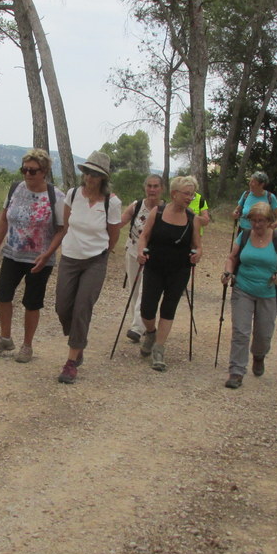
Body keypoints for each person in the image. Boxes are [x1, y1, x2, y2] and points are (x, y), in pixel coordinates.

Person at [0, 149, 67, 363]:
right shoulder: (15, 189)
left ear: (44, 172)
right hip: (12, 254)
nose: (28, 175)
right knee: (3, 294)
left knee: (32, 302)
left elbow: (62, 229)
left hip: (40, 259)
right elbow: (4, 219)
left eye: (33, 171)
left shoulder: (56, 197)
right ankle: (5, 338)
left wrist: (48, 253)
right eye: (25, 170)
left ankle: (27, 345)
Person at [55, 150, 123, 384]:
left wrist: (104, 253)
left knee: (82, 307)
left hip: (95, 260)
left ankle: (71, 362)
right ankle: (78, 341)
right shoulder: (72, 195)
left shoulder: (112, 203)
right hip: (70, 257)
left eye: (95, 174)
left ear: (103, 177)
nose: (90, 178)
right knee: (63, 307)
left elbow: (114, 234)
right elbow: (65, 226)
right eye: (87, 173)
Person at [135, 176, 204, 372]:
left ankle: (159, 348)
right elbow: (144, 236)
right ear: (174, 194)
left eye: (192, 194)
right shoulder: (158, 212)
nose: (190, 198)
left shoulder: (193, 219)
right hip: (154, 266)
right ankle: (150, 332)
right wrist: (141, 251)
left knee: (168, 308)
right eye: (187, 194)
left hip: (179, 270)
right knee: (147, 309)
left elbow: (198, 247)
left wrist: (197, 255)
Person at [220, 202, 277, 389]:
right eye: (253, 220)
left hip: (268, 291)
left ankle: (259, 355)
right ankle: (236, 372)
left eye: (261, 221)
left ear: (269, 221)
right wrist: (228, 272)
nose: (257, 225)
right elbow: (232, 258)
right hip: (243, 288)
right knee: (240, 332)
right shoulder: (244, 236)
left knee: (263, 333)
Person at [119, 174, 165, 345]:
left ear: (162, 188)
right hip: (132, 252)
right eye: (149, 186)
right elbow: (119, 223)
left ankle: (137, 328)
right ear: (145, 187)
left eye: (156, 186)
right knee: (134, 289)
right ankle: (140, 325)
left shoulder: (164, 209)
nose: (152, 189)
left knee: (144, 291)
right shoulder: (136, 206)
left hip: (153, 257)